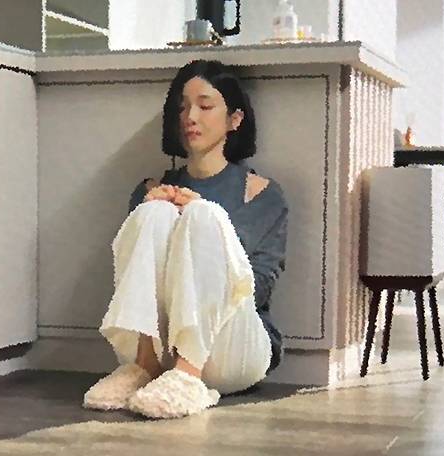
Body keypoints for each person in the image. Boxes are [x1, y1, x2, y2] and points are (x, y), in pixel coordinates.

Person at [82, 59, 289, 419]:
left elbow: (259, 290)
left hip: (233, 349)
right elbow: (134, 282)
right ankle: (143, 366)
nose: (190, 117)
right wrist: (147, 211)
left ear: (234, 119)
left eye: (205, 106)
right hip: (161, 346)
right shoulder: (152, 191)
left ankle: (188, 373)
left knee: (203, 215)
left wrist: (205, 220)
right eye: (182, 107)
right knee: (154, 213)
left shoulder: (261, 194)